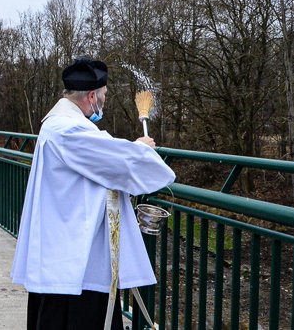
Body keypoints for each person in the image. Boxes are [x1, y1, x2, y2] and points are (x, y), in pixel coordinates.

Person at [11, 57, 176, 330]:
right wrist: (142, 149)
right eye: (104, 96)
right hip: (73, 256)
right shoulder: (68, 129)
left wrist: (134, 149)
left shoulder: (58, 124)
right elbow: (116, 160)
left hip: (64, 248)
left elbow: (103, 154)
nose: (104, 102)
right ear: (91, 96)